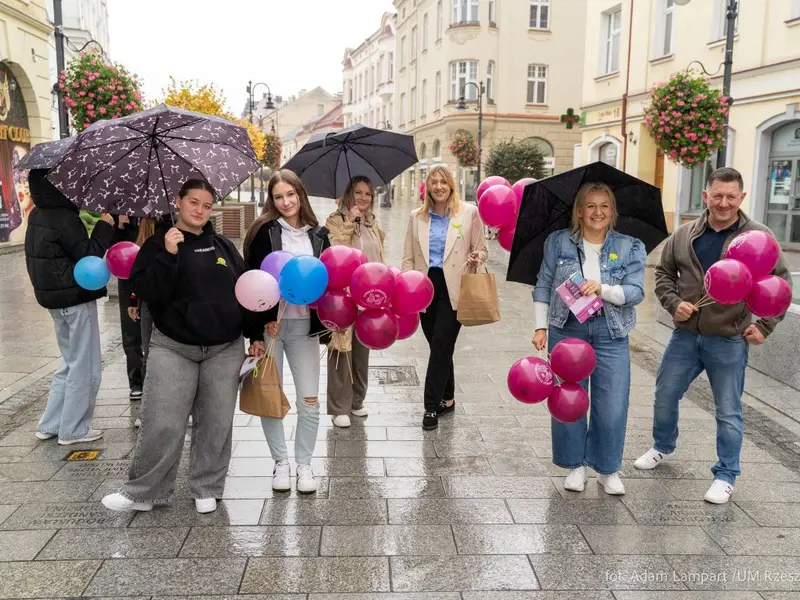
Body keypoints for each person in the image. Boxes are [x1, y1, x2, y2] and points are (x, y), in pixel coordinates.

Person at [634, 167, 793, 504]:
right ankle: (663, 445)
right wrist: (673, 303)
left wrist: (765, 325)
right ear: (705, 195)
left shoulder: (759, 237)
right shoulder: (684, 234)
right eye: (717, 195)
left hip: (729, 338)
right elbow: (664, 274)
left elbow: (780, 284)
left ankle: (726, 474)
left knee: (728, 410)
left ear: (742, 197)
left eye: (731, 197)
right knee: (664, 395)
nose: (723, 203)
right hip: (685, 336)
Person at [102, 179, 256, 514]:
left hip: (224, 348)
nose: (200, 210)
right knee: (163, 420)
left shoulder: (223, 247)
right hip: (174, 346)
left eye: (207, 205)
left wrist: (255, 334)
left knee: (216, 422)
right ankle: (144, 491)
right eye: (193, 202)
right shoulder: (157, 245)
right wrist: (168, 255)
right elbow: (150, 294)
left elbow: (246, 291)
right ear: (178, 202)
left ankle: (206, 487)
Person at [532, 182, 646, 496]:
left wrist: (602, 289)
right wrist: (540, 327)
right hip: (567, 329)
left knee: (612, 403)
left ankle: (607, 469)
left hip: (611, 332)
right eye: (590, 205)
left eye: (604, 206)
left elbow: (636, 292)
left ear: (612, 211)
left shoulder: (630, 246)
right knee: (568, 400)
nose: (598, 212)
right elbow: (544, 284)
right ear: (579, 211)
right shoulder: (558, 242)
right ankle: (575, 465)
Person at [243, 169, 330, 493]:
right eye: (278, 197)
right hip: (272, 330)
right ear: (272, 200)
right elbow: (251, 281)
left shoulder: (319, 235)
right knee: (270, 395)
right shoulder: (263, 232)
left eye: (290, 194)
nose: (286, 202)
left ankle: (304, 464)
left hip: (306, 328)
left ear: (300, 194)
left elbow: (328, 281)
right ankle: (280, 462)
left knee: (309, 400)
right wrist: (257, 330)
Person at [24, 169, 114, 445]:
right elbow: (90, 256)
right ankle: (74, 429)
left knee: (69, 362)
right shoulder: (64, 217)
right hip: (75, 299)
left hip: (55, 301)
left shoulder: (38, 214)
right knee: (84, 366)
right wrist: (105, 225)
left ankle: (51, 424)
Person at [402, 165, 487, 431]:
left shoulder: (469, 212)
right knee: (438, 346)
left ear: (451, 185)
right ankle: (448, 398)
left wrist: (477, 257)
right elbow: (408, 257)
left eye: (443, 182)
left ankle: (430, 406)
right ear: (427, 186)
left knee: (441, 343)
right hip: (424, 288)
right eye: (434, 182)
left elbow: (482, 248)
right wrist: (406, 289)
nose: (439, 186)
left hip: (455, 286)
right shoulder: (416, 216)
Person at [325, 176, 387, 428]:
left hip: (370, 298)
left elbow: (379, 257)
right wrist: (350, 222)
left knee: (362, 351)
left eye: (368, 194)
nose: (363, 198)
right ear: (349, 194)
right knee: (341, 350)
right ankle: (339, 406)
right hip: (344, 297)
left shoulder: (372, 223)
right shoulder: (335, 220)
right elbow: (333, 249)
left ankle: (357, 400)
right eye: (358, 192)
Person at [111, 215, 144, 403]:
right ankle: (136, 382)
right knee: (131, 334)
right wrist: (120, 226)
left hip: (149, 279)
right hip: (127, 281)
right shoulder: (120, 214)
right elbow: (114, 251)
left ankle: (154, 379)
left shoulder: (157, 212)